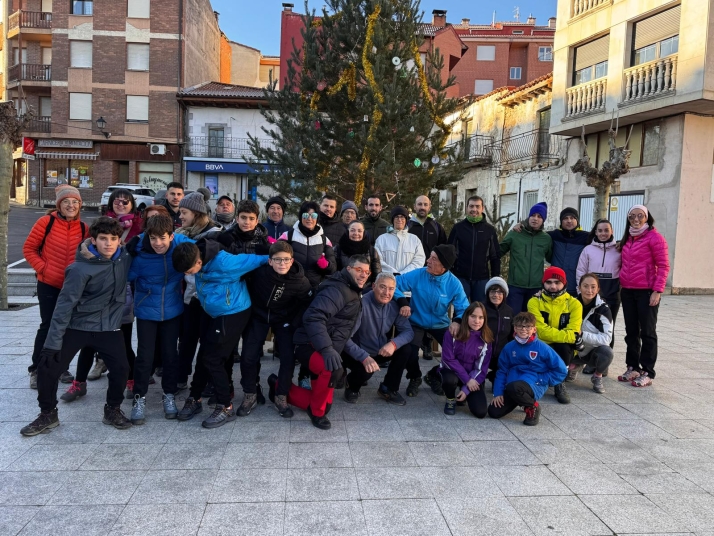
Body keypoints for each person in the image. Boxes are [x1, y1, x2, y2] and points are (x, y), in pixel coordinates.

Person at [20, 217, 133, 436]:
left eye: (113, 239)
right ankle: (47, 414)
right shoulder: (79, 269)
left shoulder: (124, 260)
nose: (108, 243)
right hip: (78, 325)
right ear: (93, 240)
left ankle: (112, 409)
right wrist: (52, 344)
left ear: (120, 241)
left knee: (122, 369)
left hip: (109, 326)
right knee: (47, 366)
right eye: (103, 239)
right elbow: (63, 307)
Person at [171, 239, 268, 428]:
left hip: (232, 311)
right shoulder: (193, 249)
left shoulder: (226, 263)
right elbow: (176, 237)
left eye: (188, 271)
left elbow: (260, 259)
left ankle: (225, 407)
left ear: (199, 262)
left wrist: (280, 257)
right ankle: (195, 398)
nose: (186, 274)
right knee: (204, 355)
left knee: (213, 359)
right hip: (211, 310)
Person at [64, 189, 142, 402]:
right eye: (117, 201)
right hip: (94, 297)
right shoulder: (98, 226)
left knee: (123, 341)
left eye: (126, 202)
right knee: (88, 343)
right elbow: (85, 254)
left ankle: (130, 379)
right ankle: (79, 383)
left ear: (132, 205)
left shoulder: (137, 226)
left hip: (122, 290)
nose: (121, 204)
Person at [23, 184, 92, 389]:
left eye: (75, 202)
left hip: (72, 287)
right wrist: (43, 268)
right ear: (59, 205)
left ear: (80, 205)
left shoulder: (83, 228)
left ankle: (60, 366)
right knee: (47, 326)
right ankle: (37, 369)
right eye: (66, 202)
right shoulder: (46, 222)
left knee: (67, 328)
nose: (71, 205)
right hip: (49, 284)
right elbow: (29, 248)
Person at [288, 255, 368, 430]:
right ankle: (316, 412)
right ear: (348, 269)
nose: (363, 275)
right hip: (308, 343)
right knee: (332, 369)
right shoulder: (339, 290)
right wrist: (327, 349)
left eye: (367, 272)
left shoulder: (351, 289)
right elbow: (313, 317)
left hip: (324, 344)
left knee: (328, 403)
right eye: (359, 270)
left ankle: (281, 388)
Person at [126, 214, 193, 423]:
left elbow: (199, 247)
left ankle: (169, 394)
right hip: (146, 311)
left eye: (162, 238)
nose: (158, 243)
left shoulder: (178, 251)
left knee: (170, 355)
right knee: (145, 356)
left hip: (172, 311)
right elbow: (121, 276)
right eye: (153, 238)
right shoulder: (139, 254)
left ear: (171, 236)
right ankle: (139, 396)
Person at [241, 241, 313, 418]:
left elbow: (308, 303)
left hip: (283, 319)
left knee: (288, 358)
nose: (282, 264)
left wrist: (293, 321)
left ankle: (281, 395)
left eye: (286, 260)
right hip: (258, 316)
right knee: (248, 356)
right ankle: (251, 393)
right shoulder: (258, 273)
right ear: (270, 261)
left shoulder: (300, 280)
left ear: (292, 260)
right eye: (278, 260)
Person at [394, 244, 469, 397]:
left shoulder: (454, 283)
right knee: (410, 352)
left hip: (440, 324)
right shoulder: (419, 274)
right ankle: (414, 377)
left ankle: (434, 375)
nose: (428, 261)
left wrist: (457, 321)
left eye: (434, 259)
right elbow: (394, 283)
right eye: (430, 257)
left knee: (457, 352)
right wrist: (402, 301)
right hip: (416, 321)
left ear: (444, 266)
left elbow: (464, 307)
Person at [617, 205, 670, 387]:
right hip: (628, 291)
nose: (636, 219)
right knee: (631, 332)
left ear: (647, 218)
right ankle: (633, 366)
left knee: (647, 332)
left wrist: (658, 290)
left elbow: (663, 266)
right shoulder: (627, 238)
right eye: (632, 216)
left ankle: (648, 371)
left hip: (647, 291)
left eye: (640, 216)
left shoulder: (655, 238)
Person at [341, 272, 414, 405]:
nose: (387, 292)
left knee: (405, 349)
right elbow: (345, 338)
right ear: (374, 286)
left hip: (378, 349)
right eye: (382, 287)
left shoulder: (394, 305)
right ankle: (351, 385)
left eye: (391, 289)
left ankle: (388, 388)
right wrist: (364, 357)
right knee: (366, 372)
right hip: (356, 352)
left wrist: (393, 344)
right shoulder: (360, 305)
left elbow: (408, 332)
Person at [174, 195, 222, 391]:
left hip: (207, 298)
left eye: (184, 212)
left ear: (197, 214)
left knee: (207, 341)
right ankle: (181, 375)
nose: (180, 216)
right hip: (189, 298)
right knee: (187, 340)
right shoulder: (182, 233)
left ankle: (204, 379)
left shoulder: (215, 235)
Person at [487, 312, 568, 426]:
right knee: (493, 412)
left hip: (533, 383)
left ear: (534, 329)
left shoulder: (543, 348)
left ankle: (532, 407)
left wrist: (541, 380)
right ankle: (522, 401)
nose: (523, 329)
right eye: (519, 326)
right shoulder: (509, 347)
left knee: (515, 387)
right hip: (512, 387)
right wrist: (498, 393)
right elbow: (502, 371)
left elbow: (561, 370)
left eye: (528, 326)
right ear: (515, 328)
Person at [527, 266, 583, 404]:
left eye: (557, 282)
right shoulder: (534, 302)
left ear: (564, 284)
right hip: (540, 343)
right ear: (543, 283)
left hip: (563, 347)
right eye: (549, 282)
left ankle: (559, 382)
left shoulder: (575, 304)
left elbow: (574, 332)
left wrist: (569, 336)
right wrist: (567, 336)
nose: (553, 286)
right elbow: (539, 330)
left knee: (563, 346)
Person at [439, 301, 493, 418]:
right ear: (466, 316)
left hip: (473, 376)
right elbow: (448, 359)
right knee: (449, 380)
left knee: (480, 412)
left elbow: (481, 368)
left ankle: (463, 394)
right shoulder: (453, 333)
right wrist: (467, 380)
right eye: (473, 316)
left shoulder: (486, 339)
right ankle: (450, 399)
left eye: (480, 317)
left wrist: (466, 389)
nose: (477, 321)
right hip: (452, 371)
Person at [576, 218, 621, 354]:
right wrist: (581, 291)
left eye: (606, 230)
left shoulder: (619, 249)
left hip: (612, 292)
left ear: (612, 231)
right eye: (600, 230)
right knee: (588, 325)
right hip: (590, 291)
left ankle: (604, 359)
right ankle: (586, 357)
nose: (603, 233)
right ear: (595, 232)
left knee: (608, 326)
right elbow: (580, 271)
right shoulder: (588, 250)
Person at [499, 202, 553, 312]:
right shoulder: (515, 233)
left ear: (543, 220)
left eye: (539, 216)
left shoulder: (546, 239)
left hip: (536, 287)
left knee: (531, 321)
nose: (535, 219)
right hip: (515, 286)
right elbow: (498, 251)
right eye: (533, 215)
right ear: (528, 217)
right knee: (514, 319)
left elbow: (550, 258)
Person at [448, 195, 500, 302]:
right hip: (461, 278)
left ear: (482, 208)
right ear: (467, 208)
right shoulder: (458, 228)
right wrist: (449, 275)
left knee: (480, 310)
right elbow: (449, 252)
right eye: (471, 206)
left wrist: (495, 279)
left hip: (482, 279)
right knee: (460, 311)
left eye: (477, 206)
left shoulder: (489, 230)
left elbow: (495, 256)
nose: (474, 209)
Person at [569, 274, 614, 394]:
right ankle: (573, 366)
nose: (589, 290)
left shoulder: (604, 309)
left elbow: (606, 339)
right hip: (573, 348)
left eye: (593, 287)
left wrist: (582, 334)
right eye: (585, 286)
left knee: (607, 352)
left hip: (591, 352)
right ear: (579, 287)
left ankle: (597, 376)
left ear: (598, 289)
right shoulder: (570, 303)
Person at [279, 201, 337, 289]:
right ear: (301, 216)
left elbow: (333, 269)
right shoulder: (288, 236)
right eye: (306, 215)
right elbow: (275, 257)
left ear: (317, 218)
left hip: (315, 288)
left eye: (313, 215)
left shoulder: (324, 240)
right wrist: (273, 246)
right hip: (291, 286)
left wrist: (326, 265)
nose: (309, 219)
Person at [547, 208, 590, 295]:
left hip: (575, 286)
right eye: (565, 218)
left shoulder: (586, 237)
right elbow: (535, 233)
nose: (569, 221)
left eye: (572, 218)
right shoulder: (554, 235)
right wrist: (522, 224)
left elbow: (603, 240)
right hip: (556, 286)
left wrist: (618, 244)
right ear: (561, 221)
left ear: (577, 220)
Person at [375, 205, 425, 276]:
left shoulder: (414, 240)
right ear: (392, 219)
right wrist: (393, 274)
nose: (399, 219)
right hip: (387, 281)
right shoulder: (381, 239)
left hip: (408, 281)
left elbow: (419, 261)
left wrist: (402, 274)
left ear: (406, 219)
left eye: (402, 217)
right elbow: (378, 261)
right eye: (396, 217)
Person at [483, 277, 514, 384]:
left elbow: (511, 336)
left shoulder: (509, 311)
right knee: (476, 390)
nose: (496, 295)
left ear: (505, 294)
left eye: (500, 292)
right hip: (481, 355)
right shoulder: (480, 308)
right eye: (493, 291)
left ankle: (494, 375)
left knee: (502, 389)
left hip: (501, 356)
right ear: (487, 293)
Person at [407, 195, 446, 261]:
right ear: (414, 207)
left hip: (430, 268)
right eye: (419, 204)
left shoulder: (437, 227)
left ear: (429, 207)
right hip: (411, 268)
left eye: (425, 204)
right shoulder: (407, 225)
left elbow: (443, 250)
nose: (422, 207)